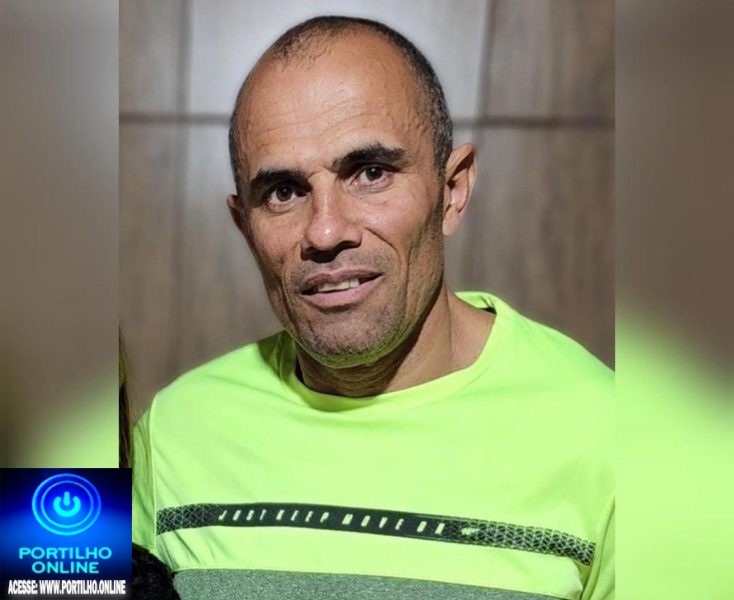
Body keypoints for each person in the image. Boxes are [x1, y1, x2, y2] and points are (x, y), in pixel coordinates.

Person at [132, 16, 613, 600]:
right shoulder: (173, 429)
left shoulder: (612, 435)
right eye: (283, 192)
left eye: (371, 173)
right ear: (244, 225)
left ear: (453, 191)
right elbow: (53, 574)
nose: (325, 230)